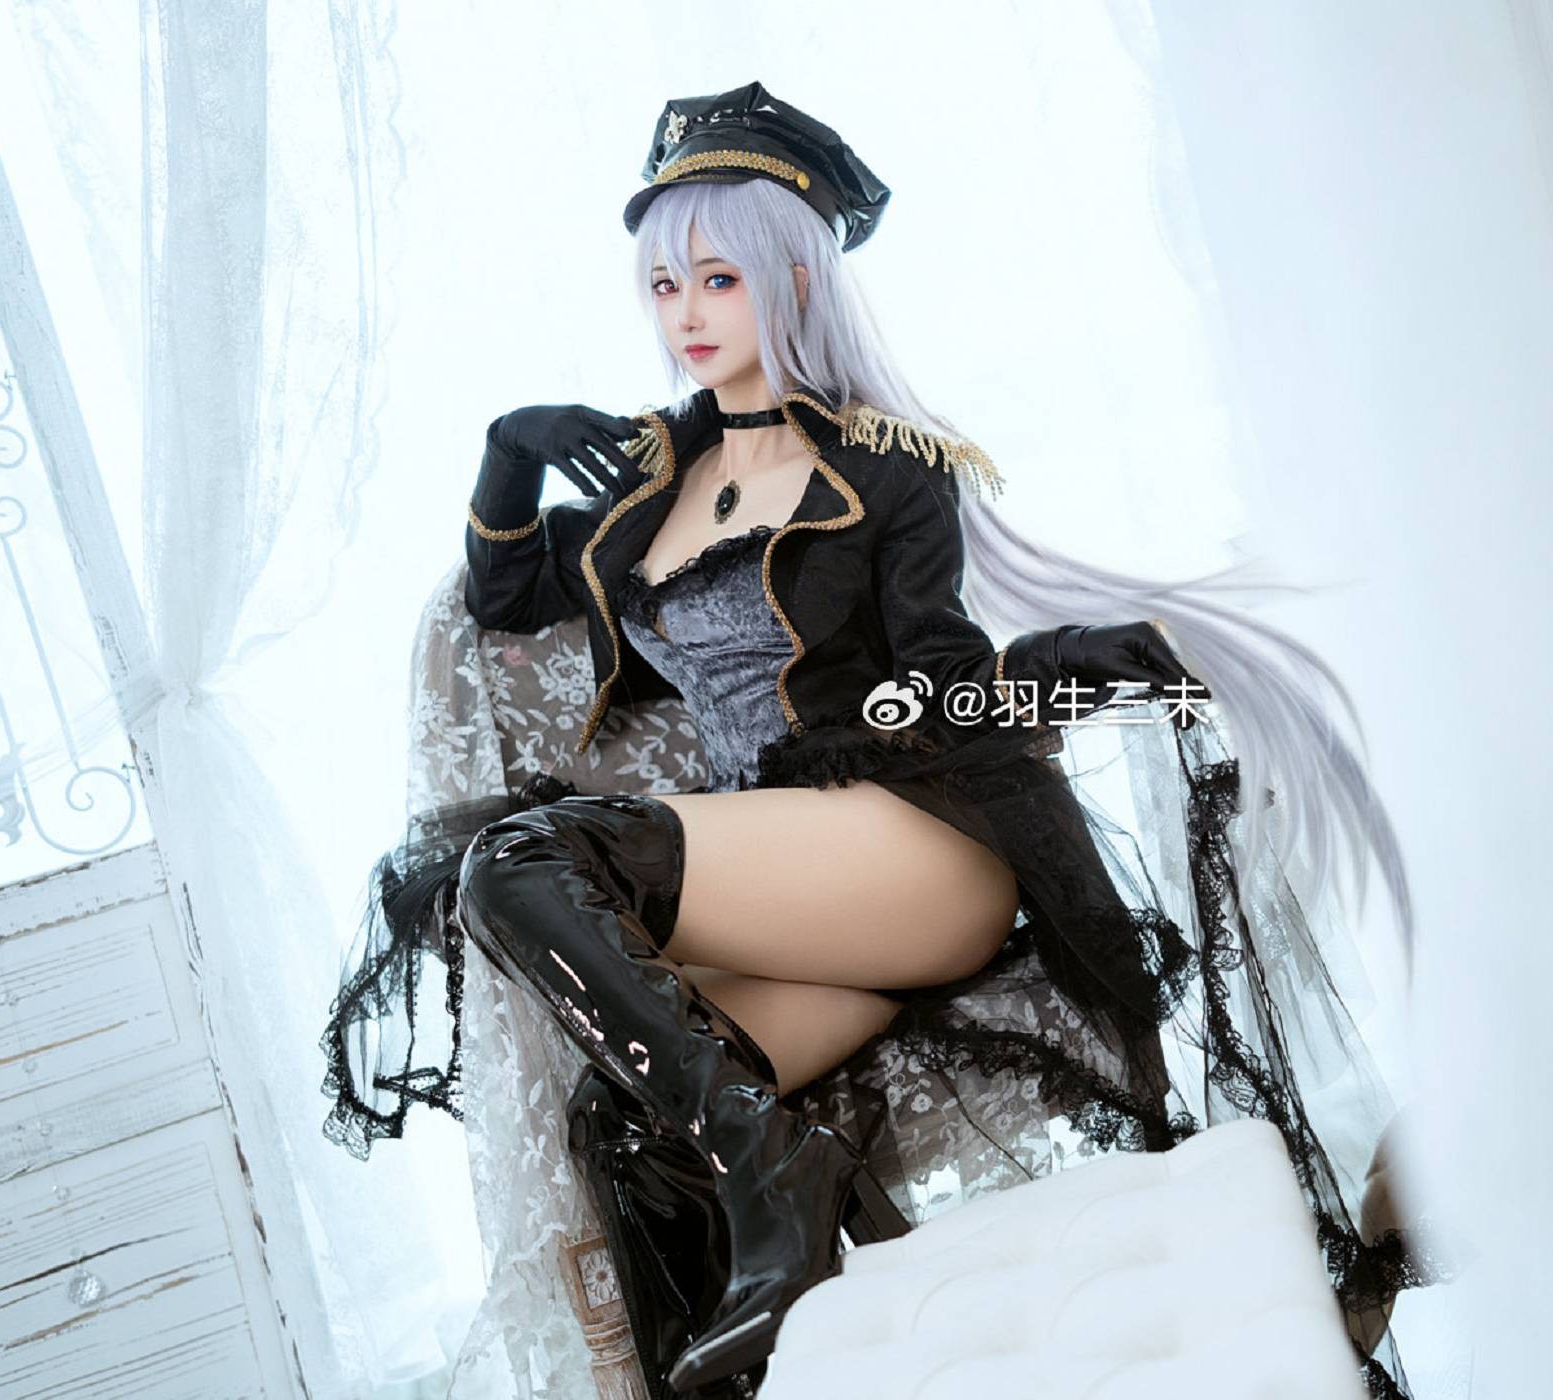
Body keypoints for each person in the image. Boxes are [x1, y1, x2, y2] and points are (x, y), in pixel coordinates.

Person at [322, 80, 1438, 1398]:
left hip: (915, 850)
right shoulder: (650, 481)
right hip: (793, 894)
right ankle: (759, 1280)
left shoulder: (890, 468)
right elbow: (508, 600)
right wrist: (510, 452)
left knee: (518, 862)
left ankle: (772, 1171)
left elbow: (944, 683)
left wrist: (1069, 668)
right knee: (621, 1127)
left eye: (719, 279)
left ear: (795, 280)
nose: (687, 316)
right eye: (665, 287)